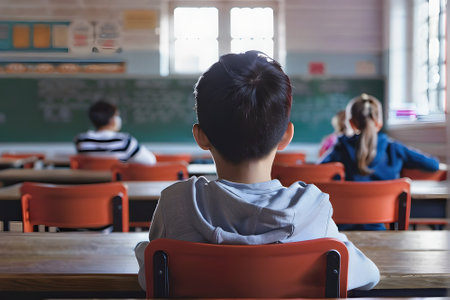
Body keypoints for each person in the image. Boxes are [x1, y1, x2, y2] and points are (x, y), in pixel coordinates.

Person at [135, 51, 379, 292]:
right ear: (286, 136)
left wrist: (140, 250)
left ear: (200, 137)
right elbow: (368, 275)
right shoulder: (313, 209)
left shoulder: (177, 204)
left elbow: (151, 276)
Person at [319, 93, 440, 230]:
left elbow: (316, 174)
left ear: (351, 123)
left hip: (342, 231)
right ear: (379, 123)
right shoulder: (394, 148)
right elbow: (433, 165)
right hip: (381, 228)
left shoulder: (340, 148)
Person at [74, 100, 156, 164]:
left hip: (89, 185)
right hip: (118, 185)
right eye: (116, 115)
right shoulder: (125, 141)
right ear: (111, 120)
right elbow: (150, 161)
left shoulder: (81, 140)